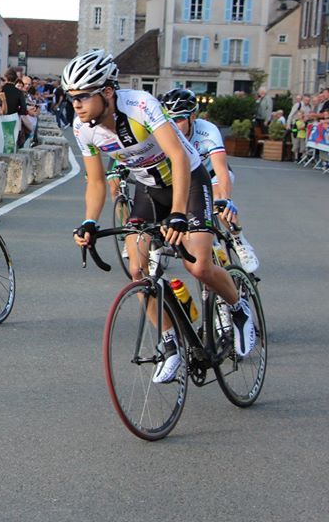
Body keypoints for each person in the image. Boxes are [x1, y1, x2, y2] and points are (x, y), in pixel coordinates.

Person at [67, 50, 257, 384]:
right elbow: (96, 181)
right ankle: (170, 344)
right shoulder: (83, 129)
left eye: (83, 96)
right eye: (72, 98)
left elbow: (179, 158)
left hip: (189, 181)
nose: (76, 104)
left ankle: (238, 307)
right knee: (138, 270)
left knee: (197, 265)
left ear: (107, 92)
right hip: (148, 190)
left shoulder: (140, 106)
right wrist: (89, 221)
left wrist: (180, 214)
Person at [162, 88, 259, 272]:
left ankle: (239, 239)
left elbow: (221, 169)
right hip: (187, 179)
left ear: (192, 117)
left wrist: (226, 199)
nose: (173, 124)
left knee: (218, 199)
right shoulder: (164, 133)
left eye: (179, 119)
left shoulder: (208, 130)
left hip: (212, 175)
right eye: (169, 119)